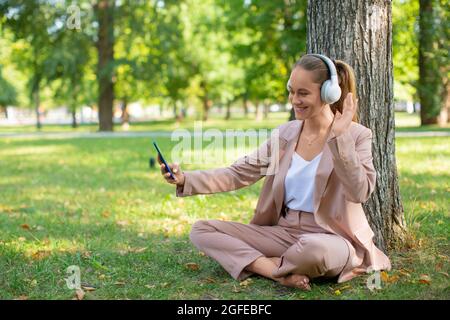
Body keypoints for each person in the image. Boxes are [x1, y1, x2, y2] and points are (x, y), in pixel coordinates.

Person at [158, 54, 391, 290]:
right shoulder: (285, 135)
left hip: (332, 239)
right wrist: (186, 179)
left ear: (328, 94)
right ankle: (275, 271)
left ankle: (261, 262)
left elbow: (359, 192)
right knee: (202, 230)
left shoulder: (356, 135)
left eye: (303, 93)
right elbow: (238, 174)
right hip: (283, 233)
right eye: (291, 91)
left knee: (314, 250)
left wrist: (340, 138)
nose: (294, 100)